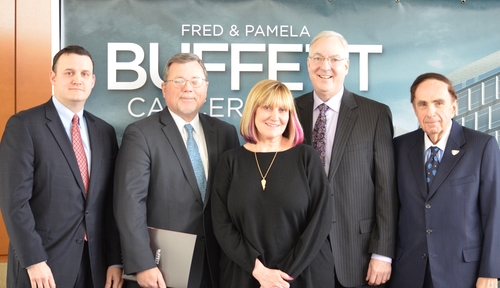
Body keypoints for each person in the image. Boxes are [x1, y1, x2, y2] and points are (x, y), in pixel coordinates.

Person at [0, 45, 123, 288]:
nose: (78, 79)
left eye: (84, 74)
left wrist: (114, 260)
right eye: (69, 72)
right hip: (43, 267)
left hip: (95, 266)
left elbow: (110, 203)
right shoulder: (24, 125)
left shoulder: (104, 132)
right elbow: (14, 202)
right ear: (53, 77)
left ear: (93, 81)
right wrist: (34, 260)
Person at [114, 52, 240, 288]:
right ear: (164, 88)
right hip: (162, 270)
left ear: (206, 88)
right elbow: (129, 204)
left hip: (217, 266)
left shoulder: (225, 133)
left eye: (195, 81)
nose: (188, 88)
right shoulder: (141, 134)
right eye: (179, 81)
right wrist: (143, 264)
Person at [294, 30, 398, 287]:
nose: (325, 66)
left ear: (347, 65)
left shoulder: (375, 114)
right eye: (317, 58)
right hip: (300, 252)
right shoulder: (288, 111)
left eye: (334, 59)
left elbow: (386, 189)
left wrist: (383, 252)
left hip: (358, 253)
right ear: (308, 64)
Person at [211, 79, 335, 288]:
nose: (275, 117)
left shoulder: (306, 157)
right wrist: (259, 271)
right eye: (267, 107)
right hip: (245, 275)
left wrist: (281, 276)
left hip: (303, 275)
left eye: (283, 110)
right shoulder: (230, 161)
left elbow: (320, 220)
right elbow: (222, 224)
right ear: (253, 111)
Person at [390, 72, 500, 288]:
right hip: (408, 272)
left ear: (454, 105)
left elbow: (494, 213)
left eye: (438, 102)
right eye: (422, 104)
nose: (430, 112)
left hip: (463, 273)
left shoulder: (482, 146)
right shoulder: (398, 148)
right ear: (414, 109)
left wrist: (491, 271)